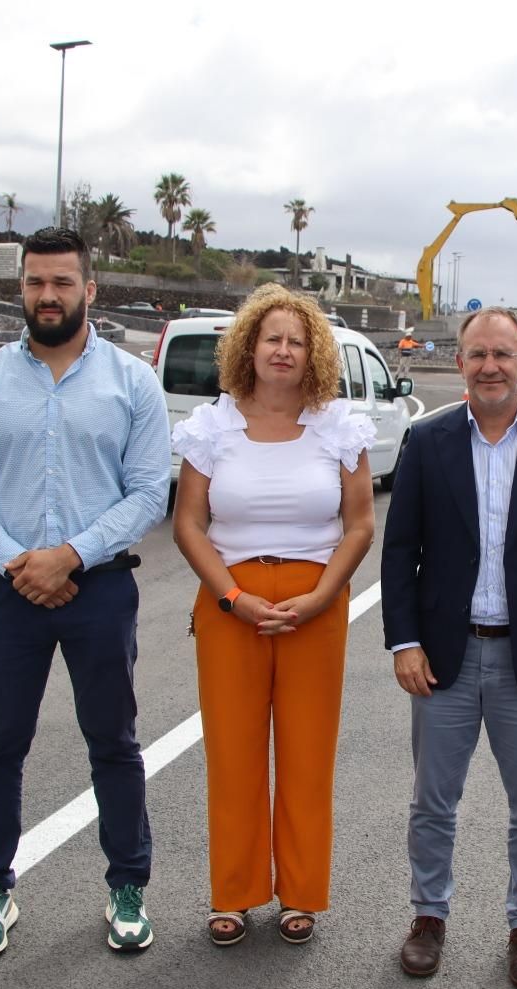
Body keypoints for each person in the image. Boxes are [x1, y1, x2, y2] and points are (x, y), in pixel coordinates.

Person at [0, 226, 168, 960]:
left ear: (89, 289)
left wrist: (68, 556)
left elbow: (149, 492)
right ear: (22, 289)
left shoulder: (132, 383)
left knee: (114, 743)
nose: (48, 295)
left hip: (98, 590)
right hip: (7, 593)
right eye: (36, 283)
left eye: (63, 282)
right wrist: (19, 564)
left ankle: (127, 885)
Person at [382, 306, 517, 989]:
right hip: (446, 658)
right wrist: (405, 641)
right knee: (432, 802)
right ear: (459, 363)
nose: (490, 367)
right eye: (477, 354)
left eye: (503, 355)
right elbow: (400, 552)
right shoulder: (427, 442)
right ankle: (428, 917)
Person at [171, 283, 376, 948]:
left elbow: (360, 525)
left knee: (307, 756)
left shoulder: (339, 428)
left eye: (296, 340)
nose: (283, 350)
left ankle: (301, 894)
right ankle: (232, 893)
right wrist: (231, 597)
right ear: (248, 348)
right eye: (272, 339)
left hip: (314, 607)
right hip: (232, 604)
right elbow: (190, 525)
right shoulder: (212, 427)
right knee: (232, 756)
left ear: (313, 351)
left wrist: (321, 599)